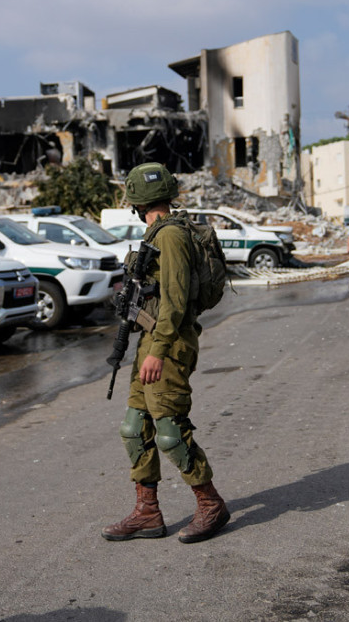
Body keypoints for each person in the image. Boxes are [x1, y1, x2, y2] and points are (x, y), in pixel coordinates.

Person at [102, 162, 230, 544]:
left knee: (170, 431)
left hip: (169, 345)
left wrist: (157, 351)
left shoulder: (171, 236)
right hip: (151, 342)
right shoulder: (156, 233)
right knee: (133, 429)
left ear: (136, 203)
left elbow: (174, 303)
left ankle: (210, 503)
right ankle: (147, 512)